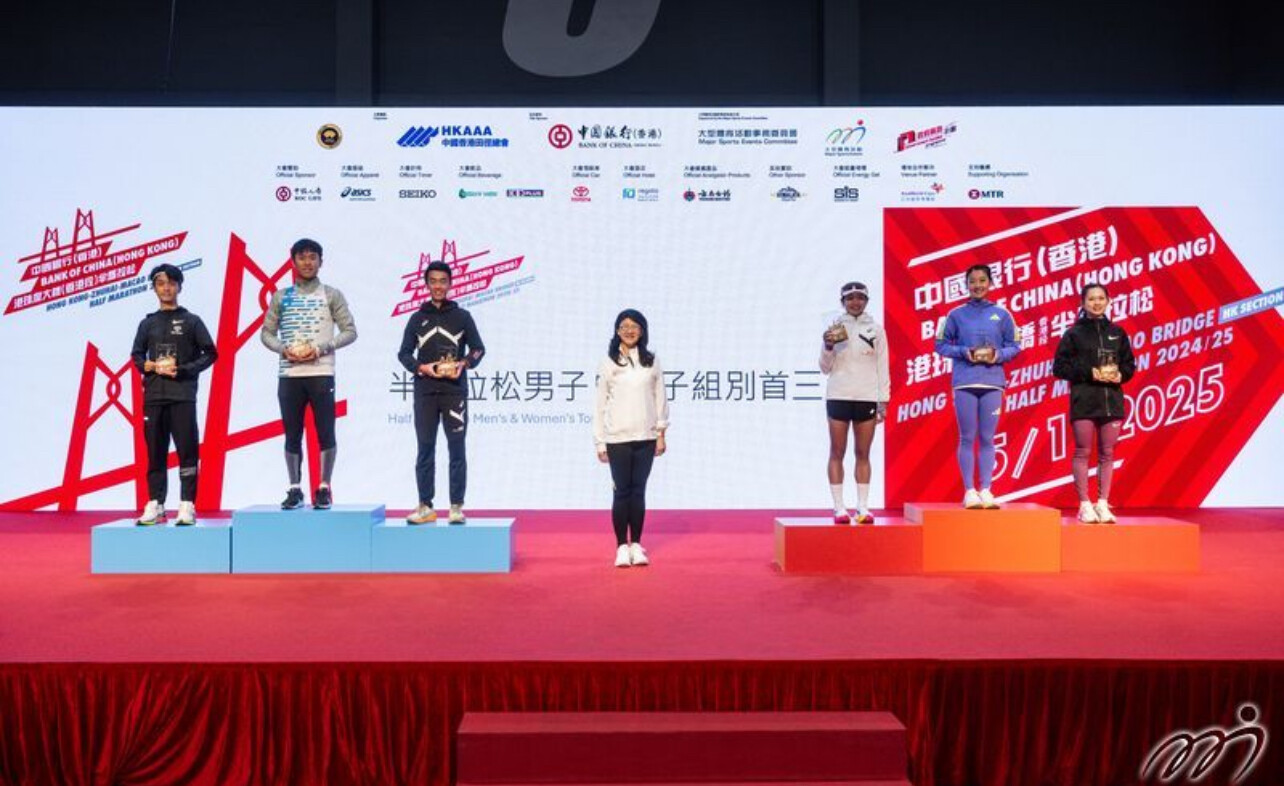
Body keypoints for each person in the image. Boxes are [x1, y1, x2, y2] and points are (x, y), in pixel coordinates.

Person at [260, 238, 357, 510]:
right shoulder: (281, 296)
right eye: (302, 257)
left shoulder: (332, 295)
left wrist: (321, 348)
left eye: (312, 257)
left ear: (320, 262)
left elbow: (350, 331)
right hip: (289, 375)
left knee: (326, 431)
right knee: (292, 434)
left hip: (321, 372)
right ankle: (294, 489)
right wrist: (283, 349)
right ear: (293, 262)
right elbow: (266, 333)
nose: (307, 262)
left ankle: (324, 488)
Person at [398, 260, 486, 524]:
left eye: (443, 281)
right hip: (425, 392)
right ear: (426, 284)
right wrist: (421, 367)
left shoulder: (462, 317)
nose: (438, 286)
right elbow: (403, 353)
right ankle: (425, 505)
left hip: (454, 393)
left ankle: (456, 507)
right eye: (433, 281)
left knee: (457, 448)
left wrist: (464, 363)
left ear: (450, 284)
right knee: (425, 448)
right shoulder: (417, 318)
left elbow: (478, 349)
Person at [129, 263, 218, 525]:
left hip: (182, 396)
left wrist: (184, 370)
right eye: (160, 284)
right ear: (154, 288)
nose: (166, 288)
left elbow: (211, 353)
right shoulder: (147, 323)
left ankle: (187, 504)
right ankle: (156, 503)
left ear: (179, 287)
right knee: (155, 452)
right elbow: (136, 354)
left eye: (171, 283)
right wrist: (146, 365)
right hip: (154, 397)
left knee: (187, 451)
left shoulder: (192, 321)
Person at [934, 264, 1020, 509]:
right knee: (967, 436)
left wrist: (997, 355)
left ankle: (986, 489)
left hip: (993, 383)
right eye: (972, 281)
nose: (977, 285)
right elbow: (940, 345)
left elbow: (1014, 346)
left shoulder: (1003, 314)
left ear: (990, 283)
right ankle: (969, 491)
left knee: (987, 438)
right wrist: (965, 352)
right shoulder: (955, 314)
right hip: (965, 383)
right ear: (966, 285)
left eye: (982, 280)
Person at [1052, 283, 1136, 523]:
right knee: (1083, 452)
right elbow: (1059, 367)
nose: (1096, 303)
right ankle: (1084, 505)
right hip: (1084, 401)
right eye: (1091, 299)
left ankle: (1103, 504)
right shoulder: (1073, 334)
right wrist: (1090, 373)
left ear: (1108, 301)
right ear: (1082, 303)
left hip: (1112, 401)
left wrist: (1120, 375)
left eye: (1101, 298)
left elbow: (1129, 365)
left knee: (1107, 453)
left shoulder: (1118, 332)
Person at [593, 309, 669, 567]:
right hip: (617, 439)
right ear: (617, 331)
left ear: (642, 330)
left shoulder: (652, 360)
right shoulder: (609, 362)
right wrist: (600, 441)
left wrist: (661, 434)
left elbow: (660, 398)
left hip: (646, 437)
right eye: (624, 326)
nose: (629, 330)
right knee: (621, 492)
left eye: (634, 326)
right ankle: (621, 547)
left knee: (639, 492)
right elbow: (599, 405)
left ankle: (636, 544)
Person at [820, 282, 890, 524]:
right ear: (843, 302)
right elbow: (824, 367)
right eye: (850, 298)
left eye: (860, 297)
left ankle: (862, 507)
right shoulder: (834, 328)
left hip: (866, 397)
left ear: (867, 301)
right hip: (838, 394)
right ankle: (839, 508)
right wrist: (828, 346)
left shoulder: (876, 330)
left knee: (863, 453)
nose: (855, 302)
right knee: (836, 451)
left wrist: (883, 400)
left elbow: (883, 366)